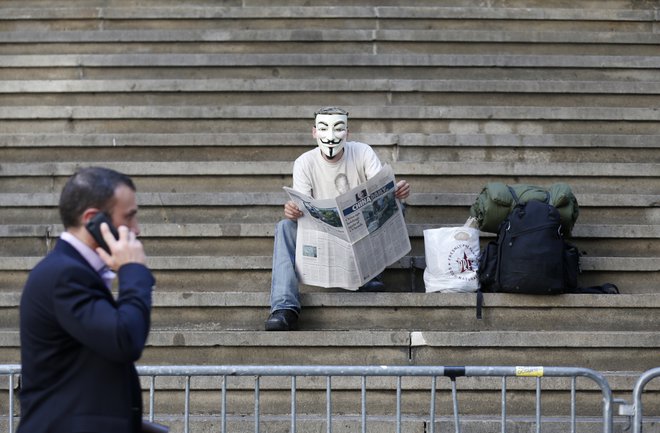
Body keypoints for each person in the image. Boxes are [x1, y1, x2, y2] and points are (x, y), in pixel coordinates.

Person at [18, 167, 155, 433]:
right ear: (94, 219)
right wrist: (133, 271)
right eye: (129, 217)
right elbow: (125, 338)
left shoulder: (72, 270)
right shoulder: (64, 274)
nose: (136, 230)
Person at [265, 107, 411, 331]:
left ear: (348, 133)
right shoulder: (304, 163)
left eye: (338, 129)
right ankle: (284, 307)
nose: (331, 136)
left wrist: (395, 193)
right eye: (323, 129)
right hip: (324, 240)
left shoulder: (363, 152)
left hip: (363, 237)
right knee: (285, 227)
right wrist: (293, 212)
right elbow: (302, 210)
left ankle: (370, 274)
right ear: (314, 132)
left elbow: (381, 188)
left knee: (395, 205)